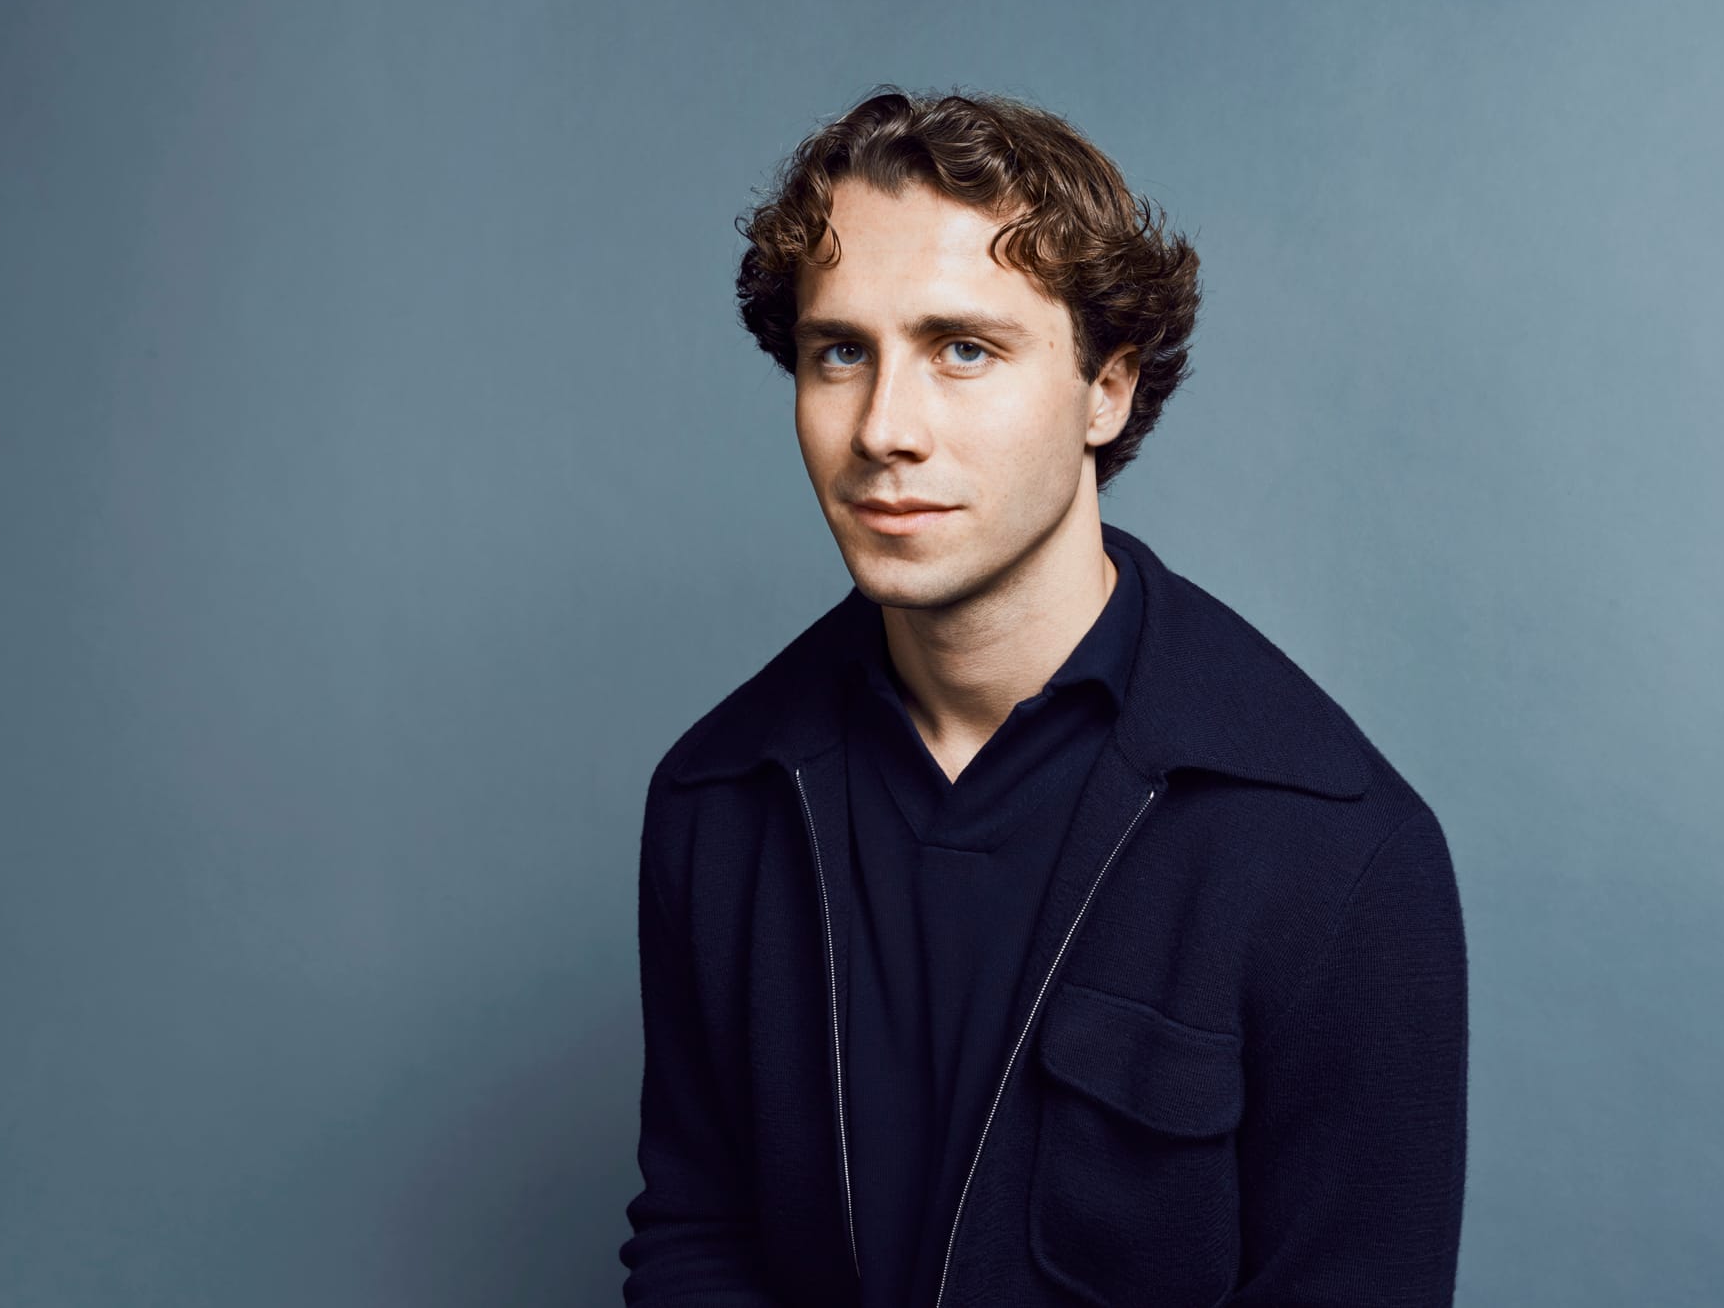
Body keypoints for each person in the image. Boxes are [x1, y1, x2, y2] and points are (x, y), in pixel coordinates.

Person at [618, 86, 1468, 1308]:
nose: (883, 428)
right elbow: (699, 1236)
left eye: (962, 349)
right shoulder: (718, 797)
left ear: (1105, 388)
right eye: (838, 352)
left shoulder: (1332, 845)